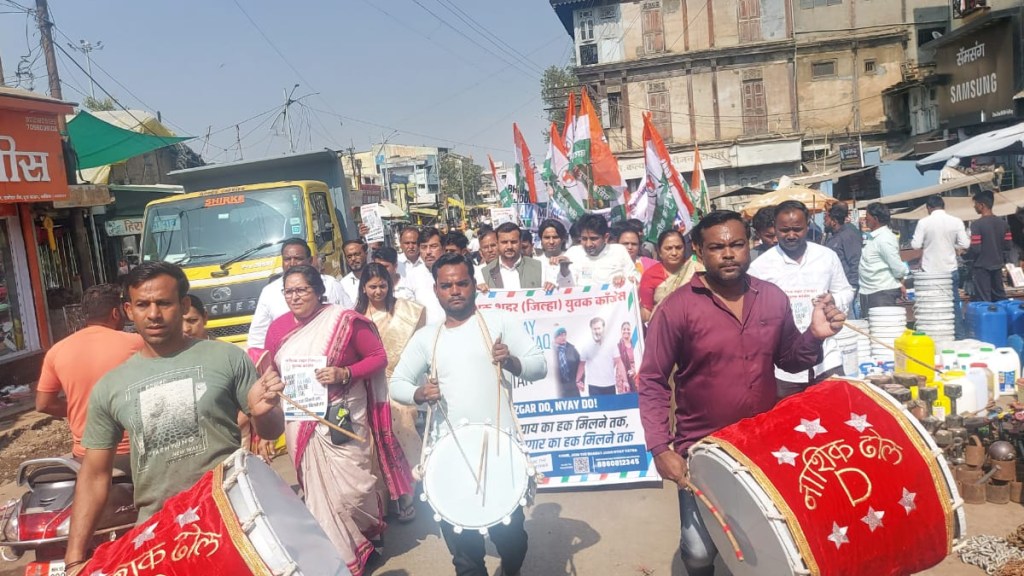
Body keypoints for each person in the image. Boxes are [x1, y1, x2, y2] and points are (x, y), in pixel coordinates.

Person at [637, 210, 845, 576]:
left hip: (762, 446)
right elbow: (652, 379)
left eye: (736, 244)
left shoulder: (772, 298)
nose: (729, 254)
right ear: (699, 252)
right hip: (702, 447)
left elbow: (790, 361)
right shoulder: (677, 309)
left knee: (767, 543)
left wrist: (814, 336)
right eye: (717, 247)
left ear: (749, 245)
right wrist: (660, 448)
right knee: (700, 552)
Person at [65, 262, 285, 574]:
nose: (153, 314)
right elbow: (94, 475)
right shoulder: (111, 387)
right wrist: (74, 560)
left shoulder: (226, 358)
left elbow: (272, 427)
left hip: (230, 521)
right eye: (142, 304)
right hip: (158, 537)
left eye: (164, 303)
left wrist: (265, 414)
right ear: (128, 310)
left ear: (183, 305)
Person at [390, 253, 546, 576]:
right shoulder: (426, 338)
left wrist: (512, 361)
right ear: (436, 290)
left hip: (501, 452)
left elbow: (539, 365)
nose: (455, 290)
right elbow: (397, 384)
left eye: (462, 283)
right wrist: (420, 393)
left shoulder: (499, 323)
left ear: (474, 285)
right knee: (466, 558)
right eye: (446, 285)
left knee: (513, 541)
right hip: (449, 458)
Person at [264, 264, 412, 576]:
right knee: (318, 493)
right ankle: (340, 555)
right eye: (288, 291)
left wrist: (345, 372)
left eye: (302, 289)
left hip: (343, 413)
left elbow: (378, 358)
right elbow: (271, 370)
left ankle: (368, 530)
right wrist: (272, 384)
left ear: (318, 291)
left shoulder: (344, 321)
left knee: (352, 489)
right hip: (301, 420)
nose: (295, 296)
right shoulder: (278, 329)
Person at [748, 201, 853, 398]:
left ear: (808, 225)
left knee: (836, 413)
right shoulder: (760, 267)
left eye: (797, 229)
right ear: (776, 228)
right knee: (789, 422)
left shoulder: (826, 256)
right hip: (784, 367)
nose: (791, 235)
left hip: (826, 358)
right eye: (784, 230)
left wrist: (834, 301)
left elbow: (846, 290)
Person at [36, 284, 142, 463]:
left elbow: (43, 404)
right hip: (134, 453)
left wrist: (81, 410)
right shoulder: (138, 344)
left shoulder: (57, 350)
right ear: (116, 313)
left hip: (85, 457)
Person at [355, 263, 425, 523]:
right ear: (364, 288)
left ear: (390, 285)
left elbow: (418, 349)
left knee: (400, 436)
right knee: (371, 444)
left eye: (383, 285)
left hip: (398, 384)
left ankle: (406, 493)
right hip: (365, 387)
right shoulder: (355, 317)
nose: (378, 291)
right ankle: (382, 500)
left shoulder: (405, 313)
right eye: (372, 286)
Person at [247, 238, 353, 350]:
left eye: (298, 258)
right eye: (287, 259)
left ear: (310, 260)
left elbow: (350, 319)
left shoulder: (330, 284)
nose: (292, 264)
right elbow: (257, 339)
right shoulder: (269, 292)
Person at [911, 195, 969, 335]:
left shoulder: (923, 222)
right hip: (949, 269)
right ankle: (959, 335)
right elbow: (965, 244)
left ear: (928, 208)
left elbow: (915, 245)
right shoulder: (956, 221)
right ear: (943, 206)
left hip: (930, 271)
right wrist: (951, 245)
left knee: (931, 305)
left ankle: (934, 334)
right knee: (953, 303)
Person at [639, 230, 701, 323]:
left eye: (678, 248)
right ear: (659, 252)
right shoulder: (650, 275)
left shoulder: (696, 269)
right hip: (663, 327)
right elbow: (647, 312)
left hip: (695, 323)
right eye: (668, 248)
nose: (674, 253)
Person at [859, 202, 909, 311]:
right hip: (870, 291)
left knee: (882, 326)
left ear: (875, 219)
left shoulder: (884, 238)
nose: (865, 220)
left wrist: (901, 281)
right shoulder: (873, 237)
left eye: (867, 217)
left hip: (882, 293)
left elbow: (897, 267)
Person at [563, 214, 637, 287]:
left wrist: (624, 281)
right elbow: (561, 284)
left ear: (606, 237)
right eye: (584, 239)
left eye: (593, 239)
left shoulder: (618, 251)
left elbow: (635, 279)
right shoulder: (573, 253)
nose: (588, 244)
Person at [968, 190, 1013, 302]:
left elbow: (976, 249)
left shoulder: (976, 225)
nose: (974, 207)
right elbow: (1008, 246)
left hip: (981, 268)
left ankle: (988, 319)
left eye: (976, 204)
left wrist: (965, 253)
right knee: (1000, 297)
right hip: (997, 265)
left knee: (984, 300)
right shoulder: (1004, 224)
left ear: (982, 205)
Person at [405, 227, 447, 324]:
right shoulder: (412, 276)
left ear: (443, 248)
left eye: (433, 246)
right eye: (424, 247)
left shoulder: (454, 272)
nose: (428, 252)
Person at [483, 222, 543, 290]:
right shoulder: (485, 273)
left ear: (520, 242)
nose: (509, 247)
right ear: (497, 244)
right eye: (504, 242)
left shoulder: (539, 268)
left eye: (513, 242)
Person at [824, 202, 862, 298]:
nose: (824, 222)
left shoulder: (848, 235)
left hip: (847, 287)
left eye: (825, 219)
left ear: (833, 222)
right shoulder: (832, 237)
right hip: (834, 286)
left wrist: (853, 286)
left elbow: (855, 260)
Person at [577, 317, 620, 396]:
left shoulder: (611, 344)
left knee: (611, 408)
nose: (597, 331)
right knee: (598, 409)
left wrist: (625, 381)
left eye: (599, 328)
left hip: (610, 384)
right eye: (594, 329)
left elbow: (618, 362)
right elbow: (581, 365)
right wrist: (577, 380)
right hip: (594, 386)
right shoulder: (586, 346)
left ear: (603, 328)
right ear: (591, 329)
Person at [537, 219, 574, 290]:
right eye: (547, 238)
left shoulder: (571, 258)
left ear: (563, 239)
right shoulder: (535, 262)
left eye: (555, 237)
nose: (551, 242)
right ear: (541, 240)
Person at [552, 326, 580, 399]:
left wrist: (580, 381)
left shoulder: (572, 349)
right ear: (555, 337)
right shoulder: (551, 351)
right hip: (558, 389)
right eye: (561, 335)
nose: (563, 337)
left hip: (573, 388)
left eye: (564, 335)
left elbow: (580, 366)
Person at [341, 239, 369, 304]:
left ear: (366, 254)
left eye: (357, 254)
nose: (353, 259)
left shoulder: (378, 276)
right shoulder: (343, 284)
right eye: (349, 256)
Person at [615, 322, 636, 394]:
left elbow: (640, 359)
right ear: (621, 331)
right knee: (624, 399)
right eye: (624, 329)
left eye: (628, 329)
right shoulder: (618, 346)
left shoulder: (635, 344)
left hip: (635, 375)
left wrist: (634, 370)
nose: (626, 331)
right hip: (622, 377)